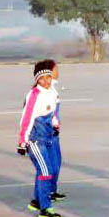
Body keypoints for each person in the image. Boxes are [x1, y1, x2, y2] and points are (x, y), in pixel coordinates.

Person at [18, 61, 62, 217]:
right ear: (37, 79)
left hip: (48, 137)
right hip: (35, 140)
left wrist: (55, 124)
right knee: (46, 171)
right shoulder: (34, 95)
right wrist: (22, 142)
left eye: (48, 77)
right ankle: (45, 208)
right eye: (42, 78)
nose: (46, 81)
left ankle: (36, 201)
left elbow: (53, 113)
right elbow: (27, 119)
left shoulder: (51, 91)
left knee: (45, 170)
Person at [42, 59, 67, 202]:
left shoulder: (53, 88)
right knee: (51, 164)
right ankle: (46, 193)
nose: (58, 71)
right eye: (56, 69)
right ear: (50, 71)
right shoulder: (46, 90)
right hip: (47, 133)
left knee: (56, 163)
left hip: (54, 132)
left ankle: (52, 189)